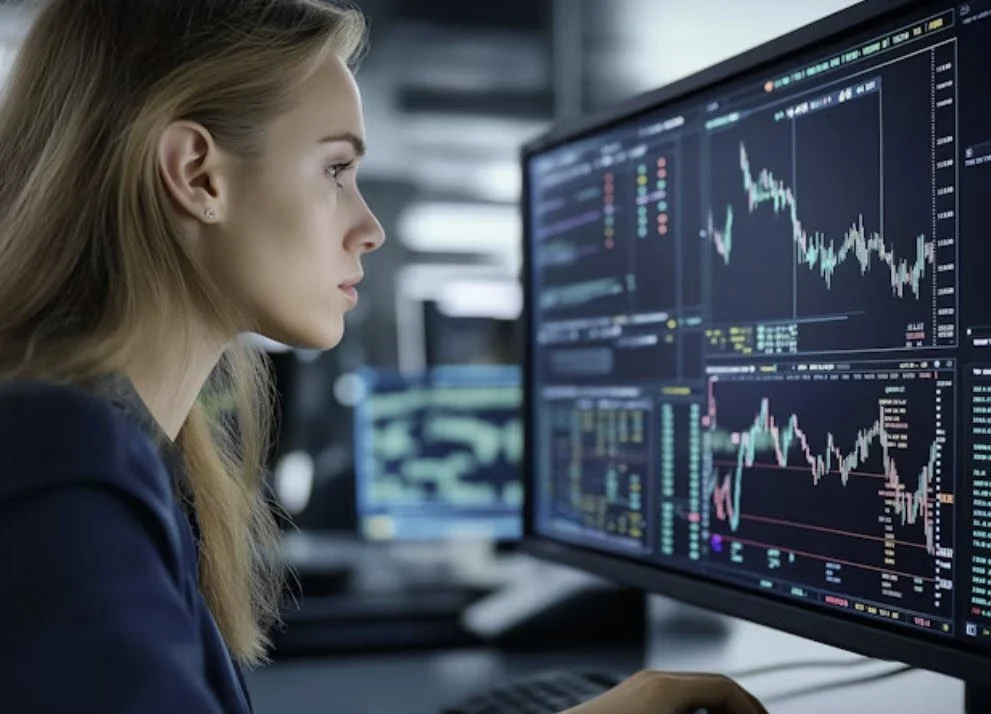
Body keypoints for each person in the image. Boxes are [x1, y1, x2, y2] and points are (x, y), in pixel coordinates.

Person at [0, 1, 768, 713]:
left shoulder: (124, 455)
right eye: (336, 170)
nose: (370, 227)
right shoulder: (62, 466)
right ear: (198, 174)